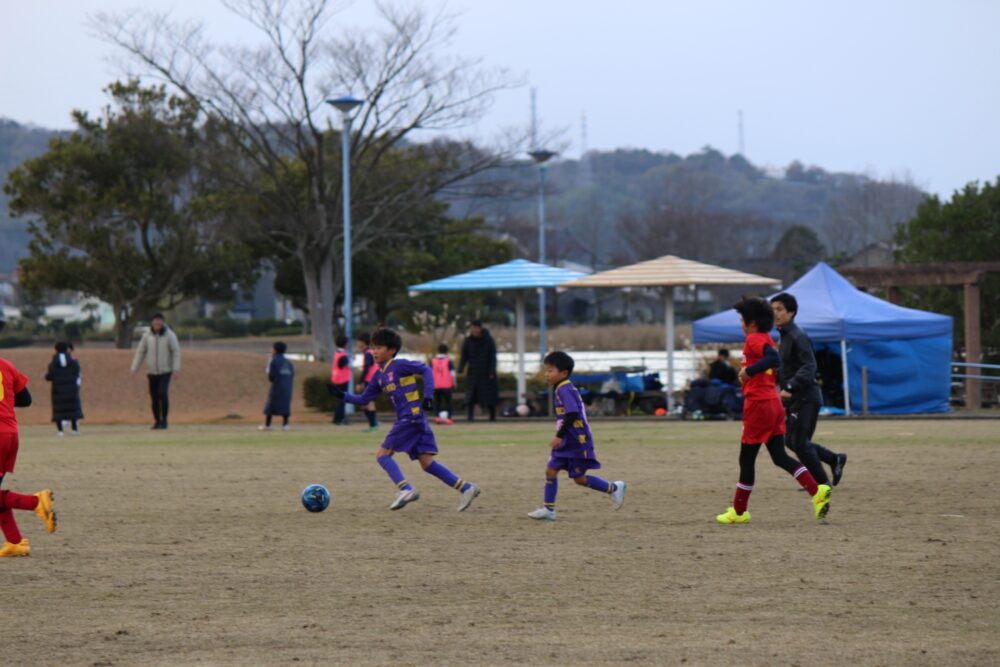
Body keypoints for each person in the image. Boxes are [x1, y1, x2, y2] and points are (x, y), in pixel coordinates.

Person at [329, 328, 481, 512]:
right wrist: (342, 395)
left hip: (411, 418)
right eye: (373, 347)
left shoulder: (399, 365)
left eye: (379, 347)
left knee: (382, 455)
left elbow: (426, 369)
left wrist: (428, 396)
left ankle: (406, 489)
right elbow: (363, 399)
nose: (374, 351)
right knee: (427, 463)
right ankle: (466, 488)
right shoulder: (379, 376)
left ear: (392, 350)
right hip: (414, 420)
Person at [715, 297, 831, 525]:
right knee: (779, 457)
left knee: (746, 460)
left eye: (742, 319)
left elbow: (773, 358)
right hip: (773, 403)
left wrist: (749, 372)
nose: (740, 324)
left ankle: (739, 511)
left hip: (759, 405)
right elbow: (772, 359)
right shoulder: (767, 338)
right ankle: (817, 490)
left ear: (752, 323)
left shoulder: (754, 339)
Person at [527, 351, 626, 521]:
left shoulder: (565, 389)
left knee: (579, 479)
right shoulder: (560, 387)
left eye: (550, 371)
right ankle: (548, 509)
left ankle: (614, 488)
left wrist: (559, 435)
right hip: (566, 440)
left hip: (577, 441)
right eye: (546, 370)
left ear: (564, 373)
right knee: (551, 470)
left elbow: (572, 414)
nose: (547, 374)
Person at [771, 293, 849, 486]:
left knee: (799, 442)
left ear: (791, 312)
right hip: (794, 398)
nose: (775, 314)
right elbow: (786, 367)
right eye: (772, 310)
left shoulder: (797, 335)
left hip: (806, 396)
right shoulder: (784, 336)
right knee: (791, 441)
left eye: (779, 309)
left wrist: (790, 386)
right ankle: (834, 459)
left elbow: (809, 366)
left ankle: (822, 485)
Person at [0, 317, 57, 557]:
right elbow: (26, 399)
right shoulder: (6, 365)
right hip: (10, 433)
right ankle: (15, 542)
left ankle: (36, 502)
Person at [130, 313, 181, 430]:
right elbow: (141, 352)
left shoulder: (170, 335)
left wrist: (176, 369)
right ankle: (157, 420)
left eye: (159, 320)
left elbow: (176, 352)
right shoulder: (147, 336)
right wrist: (134, 368)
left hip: (165, 371)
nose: (157, 323)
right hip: (152, 372)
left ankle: (164, 420)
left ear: (163, 322)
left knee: (163, 394)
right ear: (152, 322)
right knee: (154, 397)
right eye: (155, 320)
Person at [458, 320, 498, 422]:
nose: (473, 330)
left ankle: (492, 416)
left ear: (479, 328)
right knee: (471, 395)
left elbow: (493, 357)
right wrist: (461, 368)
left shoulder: (489, 340)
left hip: (486, 372)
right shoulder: (468, 341)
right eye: (471, 328)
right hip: (473, 371)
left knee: (489, 395)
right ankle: (470, 416)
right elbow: (464, 356)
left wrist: (492, 370)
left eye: (475, 328)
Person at [45, 341, 83, 436]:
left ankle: (60, 431)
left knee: (59, 410)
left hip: (58, 391)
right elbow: (77, 373)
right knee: (73, 409)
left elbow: (49, 377)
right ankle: (75, 430)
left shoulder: (52, 364)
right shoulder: (74, 362)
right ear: (67, 349)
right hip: (72, 389)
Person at [260, 341, 294, 431]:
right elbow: (292, 374)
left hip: (277, 386)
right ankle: (285, 425)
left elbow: (271, 377)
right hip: (288, 386)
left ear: (275, 350)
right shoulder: (288, 362)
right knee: (285, 404)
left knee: (271, 405)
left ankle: (268, 425)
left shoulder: (273, 360)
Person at [355, 333, 379, 432]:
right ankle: (373, 424)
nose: (357, 343)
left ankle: (374, 425)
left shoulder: (368, 353)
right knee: (364, 403)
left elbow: (367, 368)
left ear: (363, 342)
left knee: (369, 403)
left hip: (371, 381)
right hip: (371, 380)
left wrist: (360, 382)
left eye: (358, 341)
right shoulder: (369, 352)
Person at [431, 343, 456, 425]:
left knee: (437, 402)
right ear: (447, 351)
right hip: (447, 385)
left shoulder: (433, 361)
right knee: (448, 402)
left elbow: (429, 373)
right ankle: (449, 418)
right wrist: (454, 383)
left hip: (436, 385)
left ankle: (437, 417)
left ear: (438, 351)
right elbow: (452, 373)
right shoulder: (448, 361)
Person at [330, 335, 351, 426]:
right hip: (343, 379)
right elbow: (344, 364)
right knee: (343, 400)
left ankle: (336, 418)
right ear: (345, 344)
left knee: (339, 400)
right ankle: (340, 419)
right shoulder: (343, 355)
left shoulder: (337, 353)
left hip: (336, 378)